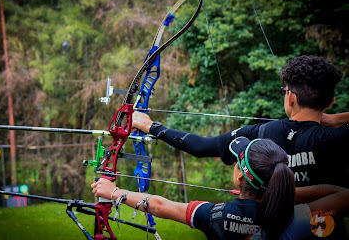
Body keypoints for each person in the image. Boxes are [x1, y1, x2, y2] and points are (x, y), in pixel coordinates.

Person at [133, 55, 349, 187]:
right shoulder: (338, 137)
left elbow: (200, 146)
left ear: (291, 97)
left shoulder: (262, 132)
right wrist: (334, 119)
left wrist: (149, 125)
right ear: (330, 102)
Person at [92, 137, 349, 240]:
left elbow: (159, 206)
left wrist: (112, 192)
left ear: (239, 176)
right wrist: (284, 193)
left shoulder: (213, 215)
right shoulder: (298, 219)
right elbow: (343, 195)